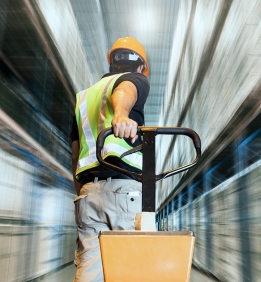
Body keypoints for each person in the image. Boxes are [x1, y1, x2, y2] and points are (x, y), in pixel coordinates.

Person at [70, 36, 150, 282]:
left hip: (88, 193)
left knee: (89, 272)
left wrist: (83, 190)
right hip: (125, 190)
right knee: (131, 271)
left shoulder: (84, 97)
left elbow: (75, 152)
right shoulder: (136, 79)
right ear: (140, 67)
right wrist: (122, 115)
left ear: (111, 63)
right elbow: (126, 91)